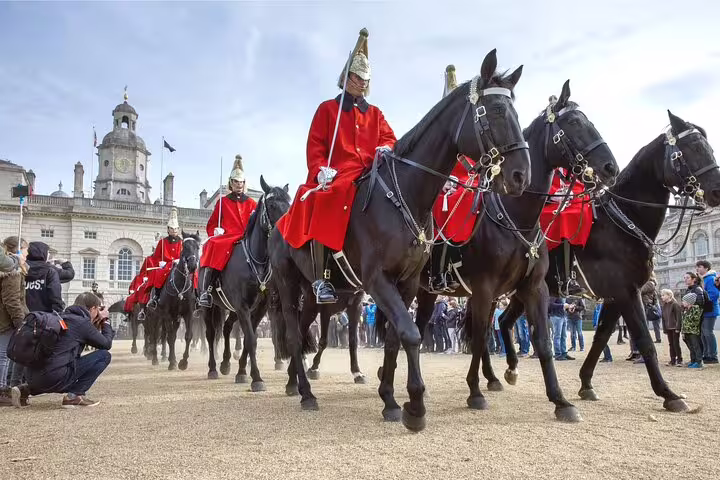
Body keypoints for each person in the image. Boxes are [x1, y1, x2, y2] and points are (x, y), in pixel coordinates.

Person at [276, 28, 396, 304]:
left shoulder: (375, 113)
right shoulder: (327, 109)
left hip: (370, 170)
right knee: (324, 197)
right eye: (356, 77)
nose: (361, 82)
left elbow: (390, 137)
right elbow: (315, 145)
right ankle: (321, 279)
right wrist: (320, 169)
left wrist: (385, 147)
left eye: (365, 79)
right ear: (346, 77)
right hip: (338, 174)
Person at [11, 292, 114, 408]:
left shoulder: (60, 317)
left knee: (53, 368)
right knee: (104, 356)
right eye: (98, 309)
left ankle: (24, 389)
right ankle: (74, 396)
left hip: (32, 377)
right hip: (54, 378)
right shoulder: (82, 323)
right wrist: (105, 320)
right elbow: (106, 344)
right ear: (93, 308)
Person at [197, 155, 257, 307]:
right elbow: (211, 224)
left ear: (244, 183)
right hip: (228, 236)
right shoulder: (222, 202)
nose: (238, 184)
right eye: (236, 182)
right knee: (212, 245)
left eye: (241, 182)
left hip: (247, 236)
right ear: (231, 183)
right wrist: (215, 232)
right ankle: (207, 289)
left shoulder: (251, 203)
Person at [0, 237, 28, 406]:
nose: (27, 254)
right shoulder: (14, 272)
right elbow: (12, 300)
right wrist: (20, 322)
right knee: (3, 356)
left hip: (5, 318)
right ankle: (2, 389)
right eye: (25, 250)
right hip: (6, 319)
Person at [145, 208, 183, 310]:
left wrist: (180, 260)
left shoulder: (182, 242)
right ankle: (156, 297)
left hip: (178, 264)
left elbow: (184, 255)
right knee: (159, 273)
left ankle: (196, 297)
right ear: (168, 229)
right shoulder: (162, 242)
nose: (174, 231)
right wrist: (160, 262)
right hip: (166, 265)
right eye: (172, 229)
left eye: (176, 229)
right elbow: (156, 256)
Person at [24, 241, 64, 313]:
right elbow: (55, 296)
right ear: (43, 253)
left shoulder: (20, 268)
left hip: (22, 315)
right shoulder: (50, 271)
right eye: (48, 252)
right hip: (43, 317)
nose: (48, 255)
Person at [695, 260, 719, 364]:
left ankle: (713, 356)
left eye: (699, 267)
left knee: (708, 332)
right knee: (703, 333)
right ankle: (706, 354)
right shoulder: (703, 279)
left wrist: (702, 301)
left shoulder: (710, 279)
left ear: (706, 268)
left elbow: (714, 294)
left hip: (710, 309)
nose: (697, 269)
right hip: (704, 310)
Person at [680, 292, 703, 369]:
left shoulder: (696, 309)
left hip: (693, 331)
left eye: (684, 301)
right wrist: (682, 331)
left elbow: (696, 320)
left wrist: (687, 314)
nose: (682, 303)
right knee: (691, 347)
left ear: (689, 302)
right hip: (686, 331)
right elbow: (683, 321)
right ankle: (693, 360)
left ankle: (699, 362)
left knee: (696, 346)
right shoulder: (685, 310)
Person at [660, 289, 683, 366]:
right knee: (671, 344)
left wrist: (678, 328)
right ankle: (672, 360)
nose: (661, 297)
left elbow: (678, 317)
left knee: (676, 343)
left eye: (663, 295)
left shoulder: (675, 304)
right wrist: (664, 328)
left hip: (675, 328)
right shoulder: (664, 305)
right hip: (668, 328)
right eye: (661, 295)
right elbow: (663, 318)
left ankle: (679, 360)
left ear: (669, 295)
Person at [549, 296, 573, 360]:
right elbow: (550, 304)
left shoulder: (563, 294)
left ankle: (564, 353)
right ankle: (558, 354)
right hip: (556, 316)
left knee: (564, 336)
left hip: (563, 316)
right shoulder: (554, 294)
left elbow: (564, 305)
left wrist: (568, 308)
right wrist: (562, 306)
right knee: (557, 336)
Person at [641, 275, 662, 343]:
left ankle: (656, 339)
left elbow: (641, 291)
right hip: (648, 305)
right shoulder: (649, 283)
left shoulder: (650, 283)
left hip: (649, 306)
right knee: (648, 324)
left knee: (653, 324)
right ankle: (651, 339)